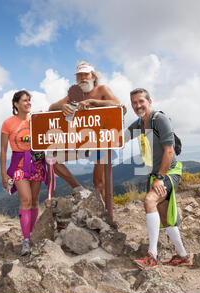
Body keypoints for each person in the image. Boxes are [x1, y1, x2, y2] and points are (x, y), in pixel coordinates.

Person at [125, 88, 191, 268]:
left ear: (149, 101)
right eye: (134, 103)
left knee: (149, 200)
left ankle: (152, 256)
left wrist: (160, 178)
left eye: (141, 101)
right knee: (164, 215)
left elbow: (169, 151)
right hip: (156, 174)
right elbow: (120, 139)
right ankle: (182, 256)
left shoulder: (158, 119)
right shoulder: (138, 124)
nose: (138, 106)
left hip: (169, 172)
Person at [48, 61, 126, 201]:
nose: (83, 77)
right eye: (79, 75)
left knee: (99, 183)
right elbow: (52, 108)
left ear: (93, 76)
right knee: (51, 159)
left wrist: (93, 103)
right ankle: (78, 188)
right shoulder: (74, 94)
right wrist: (64, 106)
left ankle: (105, 215)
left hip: (101, 143)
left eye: (86, 74)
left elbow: (117, 105)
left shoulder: (102, 89)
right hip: (81, 143)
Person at [0, 90, 48, 256]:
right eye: (25, 100)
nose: (28, 103)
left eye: (29, 100)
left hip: (37, 163)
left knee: (35, 201)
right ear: (16, 104)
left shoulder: (36, 120)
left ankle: (33, 234)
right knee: (26, 200)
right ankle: (26, 239)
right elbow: (3, 150)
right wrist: (3, 174)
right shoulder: (8, 123)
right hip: (19, 165)